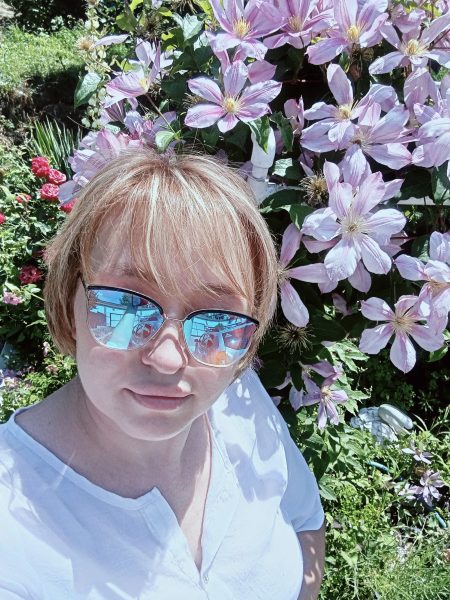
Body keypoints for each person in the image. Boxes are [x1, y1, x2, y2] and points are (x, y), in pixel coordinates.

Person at [0, 149, 325, 600]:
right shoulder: (11, 531)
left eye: (217, 318)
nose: (169, 359)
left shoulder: (240, 403)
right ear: (68, 301)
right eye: (125, 305)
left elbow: (305, 519)